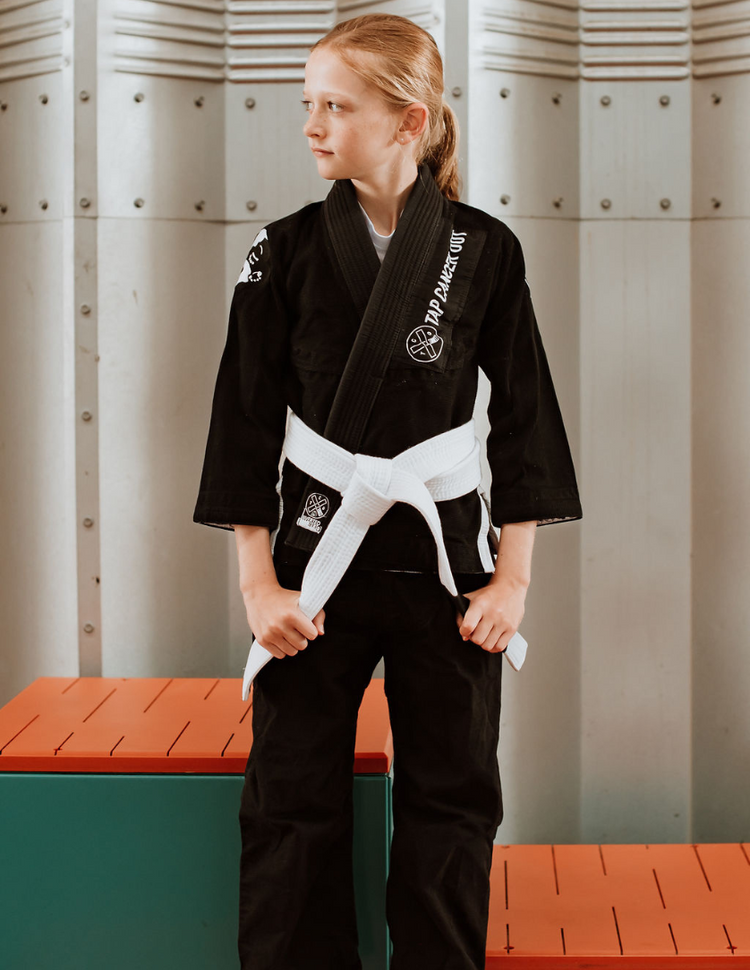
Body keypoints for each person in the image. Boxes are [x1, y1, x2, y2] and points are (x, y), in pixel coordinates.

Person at [193, 12, 582, 970]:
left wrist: (512, 582)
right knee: (291, 803)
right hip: (315, 563)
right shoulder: (281, 252)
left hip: (446, 564)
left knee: (453, 801)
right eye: (309, 104)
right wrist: (257, 587)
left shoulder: (484, 250)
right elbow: (242, 424)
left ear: (409, 122)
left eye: (336, 106)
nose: (311, 125)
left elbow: (526, 418)